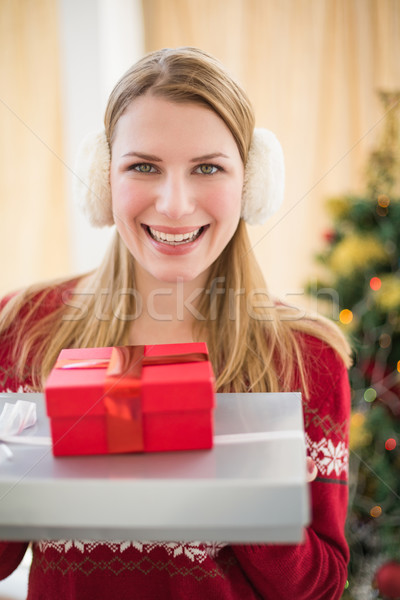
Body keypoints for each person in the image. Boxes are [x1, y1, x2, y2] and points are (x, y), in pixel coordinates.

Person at [0, 47, 351, 599]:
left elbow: (320, 586)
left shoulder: (306, 357)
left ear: (252, 183)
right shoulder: (24, 329)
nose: (175, 204)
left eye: (207, 167)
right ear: (103, 178)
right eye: (143, 166)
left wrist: (236, 479)